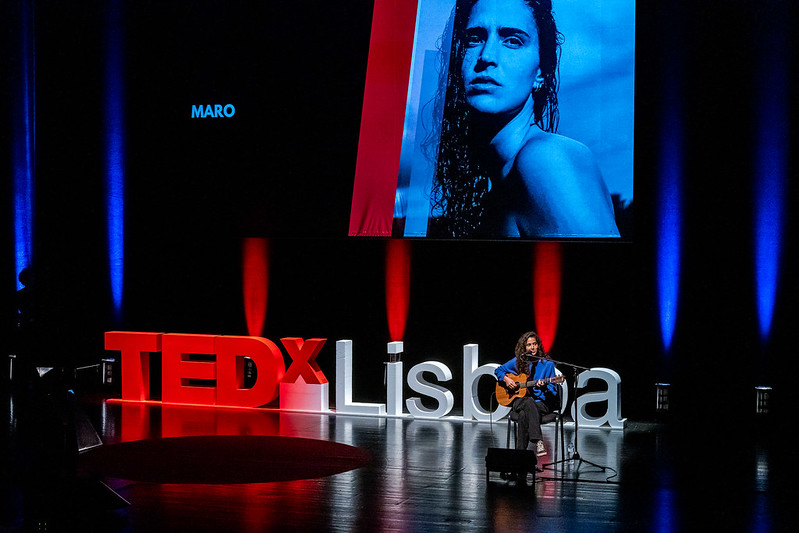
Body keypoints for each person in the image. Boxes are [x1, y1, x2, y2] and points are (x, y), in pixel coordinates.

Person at [427, 0, 619, 238]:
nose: (486, 56)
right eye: (474, 39)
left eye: (513, 41)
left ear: (540, 73)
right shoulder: (505, 179)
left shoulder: (546, 159)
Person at [494, 331, 559, 456]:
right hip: (519, 400)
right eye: (529, 345)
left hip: (541, 403)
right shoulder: (519, 361)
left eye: (535, 344)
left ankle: (520, 456)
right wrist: (507, 380)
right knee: (528, 402)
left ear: (538, 345)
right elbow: (499, 370)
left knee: (524, 414)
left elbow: (554, 391)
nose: (532, 347)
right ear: (524, 347)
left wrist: (545, 387)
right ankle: (538, 441)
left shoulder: (547, 364)